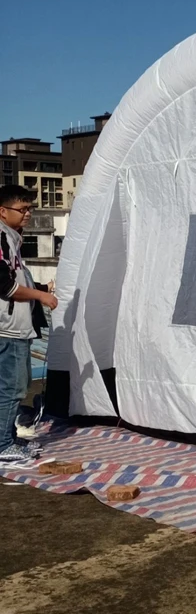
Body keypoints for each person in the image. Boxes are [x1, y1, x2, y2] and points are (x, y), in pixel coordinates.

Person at [0, 186, 57, 463]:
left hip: (15, 325)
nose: (28, 214)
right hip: (7, 327)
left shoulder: (12, 238)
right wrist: (41, 296)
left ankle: (7, 440)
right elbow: (5, 287)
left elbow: (18, 279)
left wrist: (42, 287)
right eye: (22, 209)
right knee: (12, 388)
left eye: (29, 209)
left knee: (12, 387)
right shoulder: (1, 238)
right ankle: (2, 445)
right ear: (3, 211)